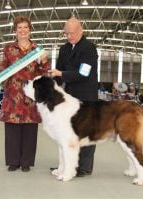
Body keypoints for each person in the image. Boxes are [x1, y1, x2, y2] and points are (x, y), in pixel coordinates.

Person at [0, 16, 50, 172]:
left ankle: (26, 162)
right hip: (13, 93)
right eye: (19, 27)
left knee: (30, 129)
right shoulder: (8, 48)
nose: (22, 30)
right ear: (15, 30)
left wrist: (44, 62)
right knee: (12, 129)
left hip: (30, 94)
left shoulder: (37, 49)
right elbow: (3, 67)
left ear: (30, 30)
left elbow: (43, 72)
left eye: (25, 27)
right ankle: (13, 161)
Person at [49, 17, 98, 177]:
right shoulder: (63, 49)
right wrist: (49, 81)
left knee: (86, 133)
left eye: (72, 33)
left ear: (80, 30)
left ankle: (84, 167)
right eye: (66, 33)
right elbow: (57, 72)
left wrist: (60, 74)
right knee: (69, 133)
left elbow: (84, 73)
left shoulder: (89, 48)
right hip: (69, 98)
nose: (69, 36)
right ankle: (68, 165)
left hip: (86, 96)